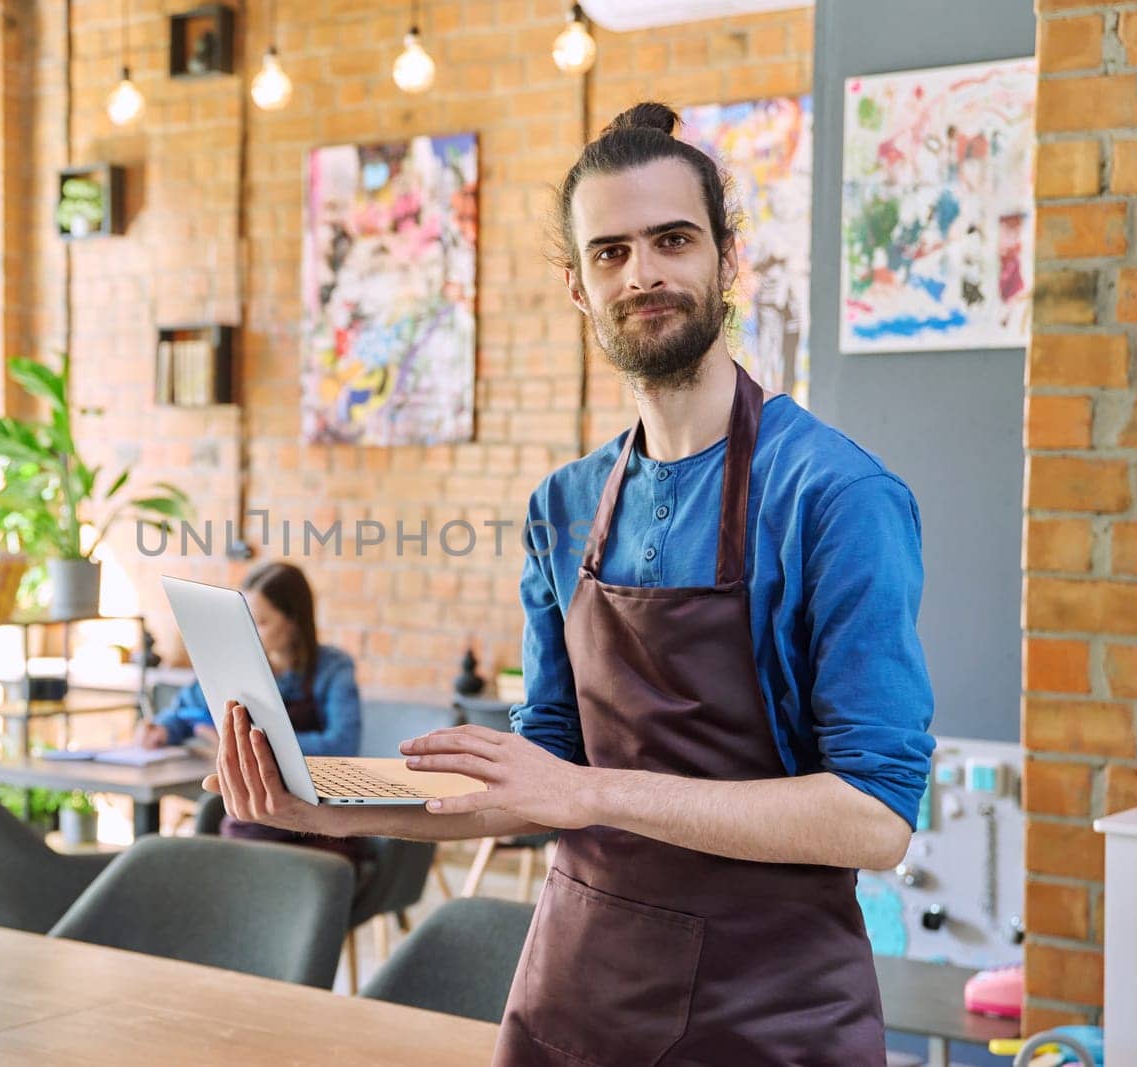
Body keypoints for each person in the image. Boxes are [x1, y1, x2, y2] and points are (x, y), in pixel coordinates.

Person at [206, 102, 934, 1065]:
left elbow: (875, 819)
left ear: (728, 257)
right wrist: (317, 807)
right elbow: (534, 778)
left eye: (673, 239)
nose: (644, 274)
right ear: (578, 287)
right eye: (610, 252)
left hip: (770, 1014)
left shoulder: (837, 496)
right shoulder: (564, 504)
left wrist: (589, 791)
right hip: (577, 997)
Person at [140, 560, 361, 850]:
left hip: (315, 824)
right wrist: (164, 730)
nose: (252, 632)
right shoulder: (238, 661)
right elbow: (187, 708)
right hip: (249, 820)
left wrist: (251, 743)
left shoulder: (332, 668)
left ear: (293, 620)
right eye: (246, 619)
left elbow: (342, 745)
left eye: (262, 622)